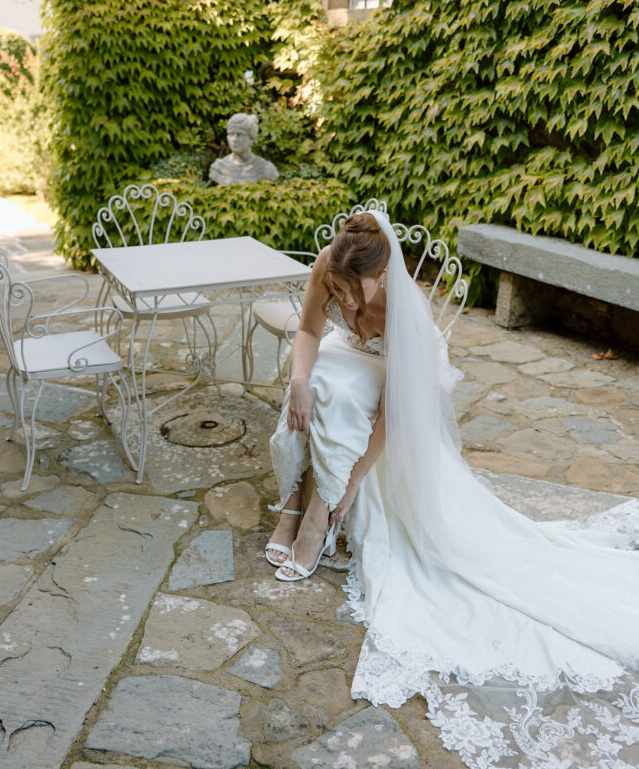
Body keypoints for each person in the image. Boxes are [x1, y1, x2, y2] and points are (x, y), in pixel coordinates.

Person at [267, 209, 639, 769]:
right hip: (348, 357)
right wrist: (297, 380)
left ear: (383, 273)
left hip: (395, 373)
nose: (345, 301)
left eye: (354, 292)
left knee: (341, 401)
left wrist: (353, 483)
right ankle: (291, 503)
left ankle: (321, 508)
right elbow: (309, 332)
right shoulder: (331, 264)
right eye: (336, 289)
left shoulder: (404, 308)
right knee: (313, 382)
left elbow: (397, 412)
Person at [208, 113, 279, 185]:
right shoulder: (219, 168)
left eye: (240, 134)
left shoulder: (266, 169)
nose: (234, 139)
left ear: (251, 139)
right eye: (231, 134)